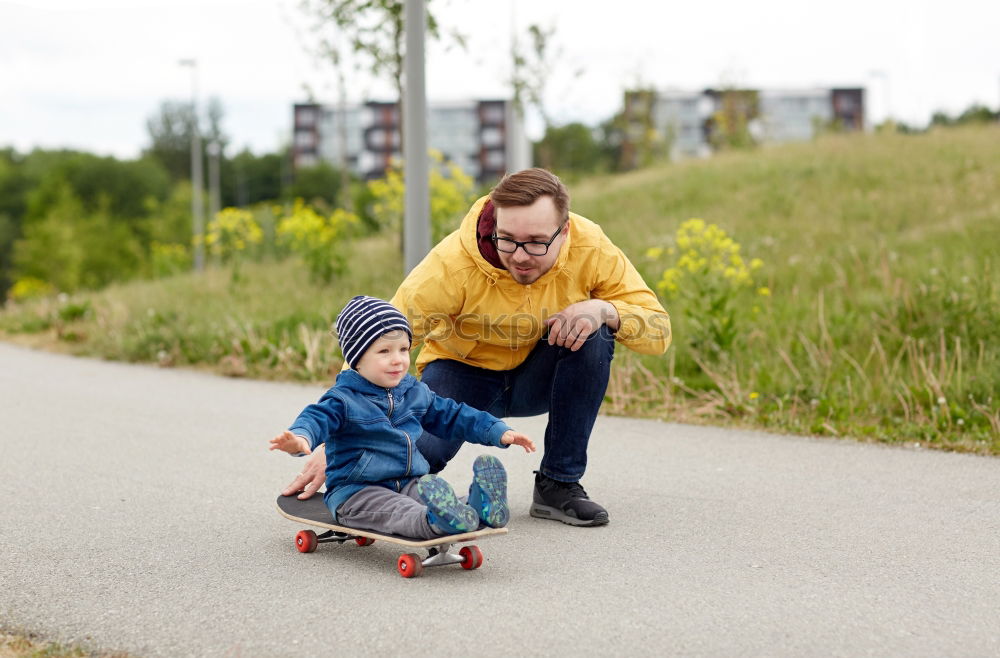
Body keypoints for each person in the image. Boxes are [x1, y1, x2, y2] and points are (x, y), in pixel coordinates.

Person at [283, 168, 670, 527]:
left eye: (536, 243)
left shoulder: (591, 246)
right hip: (460, 375)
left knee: (594, 332)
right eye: (508, 239)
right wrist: (348, 429)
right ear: (495, 224)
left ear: (564, 231)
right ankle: (428, 501)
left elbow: (659, 330)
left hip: (540, 377)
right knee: (408, 461)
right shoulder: (451, 265)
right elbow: (376, 344)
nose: (519, 255)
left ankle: (558, 484)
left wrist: (604, 308)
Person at [271, 295, 536, 539]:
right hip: (358, 492)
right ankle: (433, 523)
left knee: (434, 497)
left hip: (409, 481)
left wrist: (496, 430)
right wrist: (299, 438)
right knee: (399, 512)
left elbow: (454, 415)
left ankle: (479, 507)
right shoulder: (342, 399)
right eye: (384, 352)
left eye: (403, 349)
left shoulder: (414, 391)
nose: (397, 360)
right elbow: (316, 419)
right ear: (357, 359)